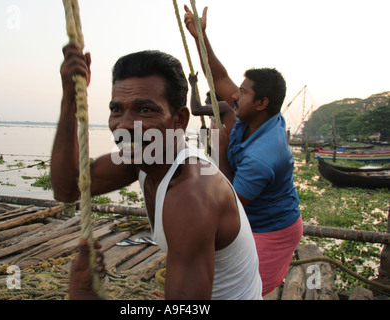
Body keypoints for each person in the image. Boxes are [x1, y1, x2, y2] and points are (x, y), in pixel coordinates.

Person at [51, 42, 262, 300]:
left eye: (144, 109)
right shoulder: (143, 156)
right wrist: (70, 98)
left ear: (179, 120)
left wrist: (85, 295)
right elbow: (68, 188)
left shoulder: (192, 195)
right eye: (117, 109)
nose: (125, 125)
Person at [184, 6, 303, 296]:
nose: (234, 95)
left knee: (248, 291)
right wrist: (200, 36)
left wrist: (221, 149)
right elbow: (219, 76)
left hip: (271, 230)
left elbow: (231, 206)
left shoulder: (263, 156)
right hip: (251, 221)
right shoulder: (252, 117)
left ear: (262, 103)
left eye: (244, 92)